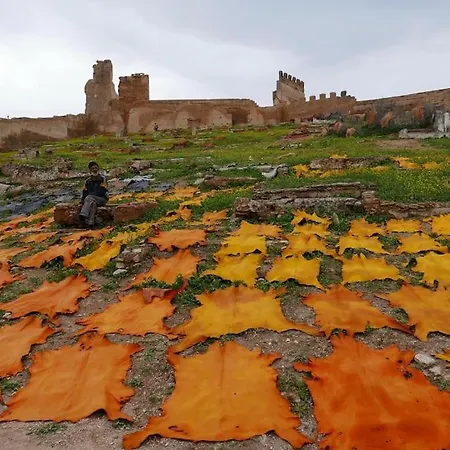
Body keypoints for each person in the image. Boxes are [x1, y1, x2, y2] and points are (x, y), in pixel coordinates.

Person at [79, 161, 108, 228]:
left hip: (102, 199)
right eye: (93, 168)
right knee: (93, 204)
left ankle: (83, 214)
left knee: (89, 198)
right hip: (91, 200)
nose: (95, 170)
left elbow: (102, 191)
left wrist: (90, 196)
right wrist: (82, 201)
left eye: (96, 168)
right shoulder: (88, 181)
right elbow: (85, 192)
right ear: (90, 170)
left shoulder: (103, 179)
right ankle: (90, 223)